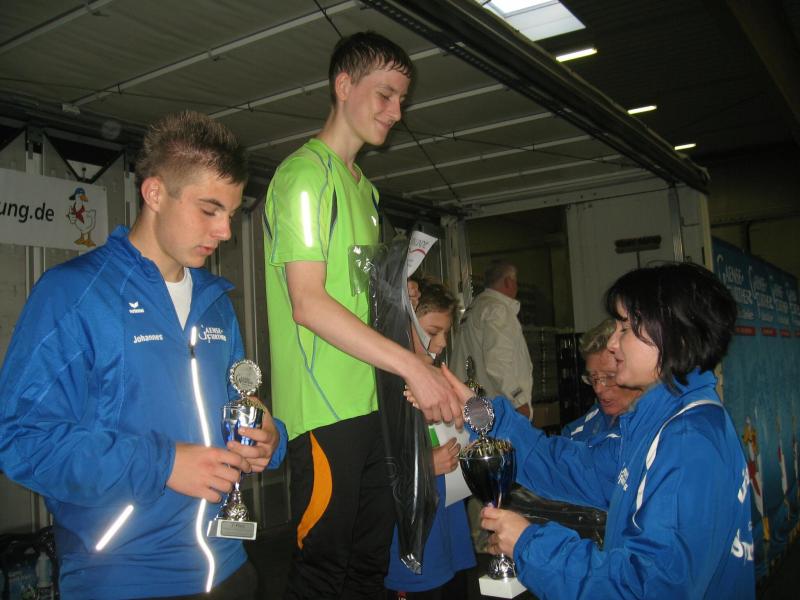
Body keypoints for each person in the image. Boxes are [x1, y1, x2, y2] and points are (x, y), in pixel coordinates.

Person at [0, 111, 287, 599]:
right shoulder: (74, 295)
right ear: (154, 194)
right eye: (209, 210)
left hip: (230, 567)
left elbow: (237, 407)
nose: (225, 231)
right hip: (127, 576)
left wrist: (267, 437)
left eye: (232, 213)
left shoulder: (215, 302)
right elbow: (22, 440)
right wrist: (164, 464)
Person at [262, 32, 461, 599]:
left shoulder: (367, 193)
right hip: (325, 411)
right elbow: (308, 303)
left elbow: (372, 307)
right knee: (324, 572)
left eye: (402, 100)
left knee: (369, 568)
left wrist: (426, 359)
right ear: (344, 85)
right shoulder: (306, 176)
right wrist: (413, 367)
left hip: (375, 405)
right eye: (385, 95)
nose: (396, 113)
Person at [440, 262, 755, 598]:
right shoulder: (665, 423)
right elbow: (569, 468)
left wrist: (530, 543)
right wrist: (481, 412)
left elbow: (648, 588)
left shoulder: (686, 441)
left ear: (673, 335)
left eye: (625, 328)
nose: (614, 344)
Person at [385, 280, 476, 599]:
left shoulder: (441, 381)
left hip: (449, 531)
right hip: (414, 542)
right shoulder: (384, 392)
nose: (441, 344)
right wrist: (424, 465)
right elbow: (371, 467)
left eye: (446, 333)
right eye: (432, 332)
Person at [451, 260, 533, 419]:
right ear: (508, 282)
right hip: (499, 412)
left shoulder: (475, 308)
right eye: (515, 281)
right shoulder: (498, 310)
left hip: (473, 408)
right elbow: (498, 363)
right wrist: (519, 401)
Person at [562, 318, 641, 444]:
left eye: (610, 377)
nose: (598, 389)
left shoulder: (665, 429)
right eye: (593, 378)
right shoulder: (576, 436)